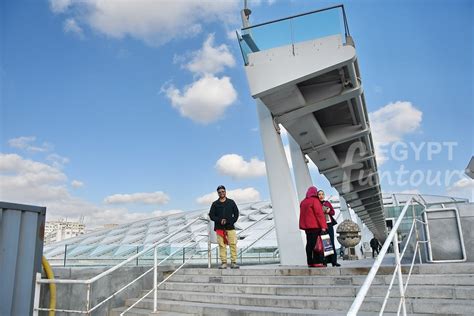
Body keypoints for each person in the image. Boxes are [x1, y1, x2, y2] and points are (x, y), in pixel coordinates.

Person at [209, 185, 240, 269]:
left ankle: (233, 262)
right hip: (219, 228)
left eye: (223, 191)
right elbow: (211, 215)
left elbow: (236, 213)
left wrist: (232, 221)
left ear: (225, 192)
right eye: (219, 192)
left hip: (230, 227)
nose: (221, 193)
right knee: (222, 245)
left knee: (233, 244)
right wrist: (219, 220)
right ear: (217, 193)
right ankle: (224, 262)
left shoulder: (231, 202)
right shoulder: (215, 204)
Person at [299, 186, 328, 267]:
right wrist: (323, 226)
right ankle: (317, 262)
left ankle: (310, 262)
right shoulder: (315, 201)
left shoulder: (303, 202)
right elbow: (319, 214)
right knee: (316, 244)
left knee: (309, 244)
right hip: (315, 226)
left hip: (307, 227)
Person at [318, 190, 341, 267]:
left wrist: (329, 210)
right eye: (319, 194)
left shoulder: (327, 203)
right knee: (324, 243)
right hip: (321, 226)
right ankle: (324, 261)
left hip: (329, 225)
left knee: (331, 242)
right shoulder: (316, 204)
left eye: (322, 194)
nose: (321, 196)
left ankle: (334, 261)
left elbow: (333, 212)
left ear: (324, 195)